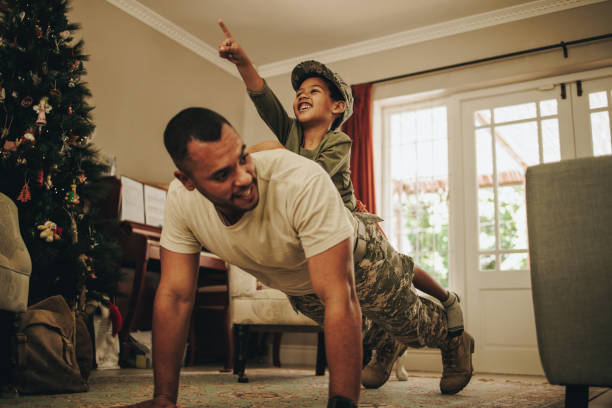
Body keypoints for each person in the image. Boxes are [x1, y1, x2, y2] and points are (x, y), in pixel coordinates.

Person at [121, 107, 474, 408]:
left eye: (243, 157)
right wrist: (164, 398)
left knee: (410, 328)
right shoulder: (182, 203)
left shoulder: (300, 181)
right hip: (301, 284)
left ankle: (453, 338)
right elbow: (175, 296)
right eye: (222, 174)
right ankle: (386, 342)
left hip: (362, 260)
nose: (244, 177)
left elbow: (339, 294)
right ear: (187, 181)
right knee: (362, 334)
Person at [217, 20, 464, 388]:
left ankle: (455, 340)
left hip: (351, 233)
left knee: (397, 291)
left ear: (337, 106)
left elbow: (311, 177)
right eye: (299, 91)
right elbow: (264, 99)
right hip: (308, 245)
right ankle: (384, 345)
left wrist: (269, 150)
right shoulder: (291, 135)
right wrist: (243, 63)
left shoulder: (338, 143)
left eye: (313, 90)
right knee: (340, 313)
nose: (302, 95)